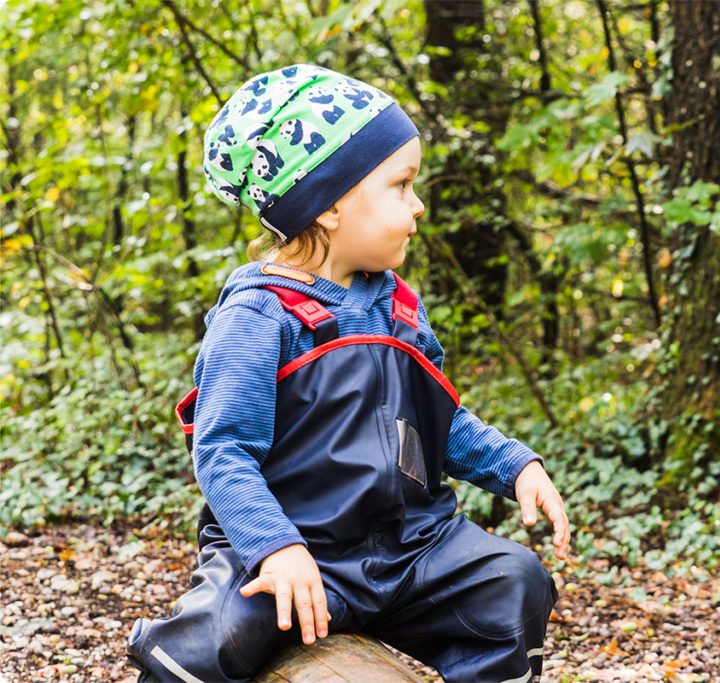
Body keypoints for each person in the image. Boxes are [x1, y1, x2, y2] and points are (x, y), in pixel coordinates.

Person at [126, 64, 570, 683]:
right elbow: (223, 450)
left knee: (514, 583)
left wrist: (516, 465)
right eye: (401, 185)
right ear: (330, 204)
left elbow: (440, 423)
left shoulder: (399, 308)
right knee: (213, 638)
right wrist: (276, 549)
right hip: (295, 551)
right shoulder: (260, 315)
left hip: (410, 552)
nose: (418, 207)